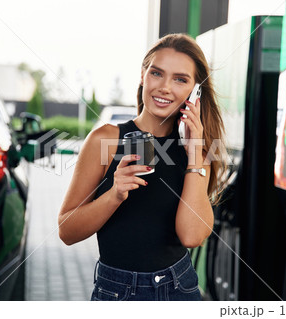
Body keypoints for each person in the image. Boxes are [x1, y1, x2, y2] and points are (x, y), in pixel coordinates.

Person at [58, 33, 227, 301]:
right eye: (157, 73)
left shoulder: (198, 149)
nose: (165, 87)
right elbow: (67, 231)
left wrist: (196, 153)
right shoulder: (107, 139)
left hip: (179, 289)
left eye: (180, 79)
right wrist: (114, 194)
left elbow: (192, 236)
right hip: (116, 291)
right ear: (143, 75)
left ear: (196, 91)